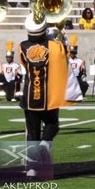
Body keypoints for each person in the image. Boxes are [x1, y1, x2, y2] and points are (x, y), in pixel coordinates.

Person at [20, 13, 69, 177]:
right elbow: (65, 58)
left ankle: (31, 169)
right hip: (50, 95)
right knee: (53, 125)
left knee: (32, 133)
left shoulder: (23, 46)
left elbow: (24, 63)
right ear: (44, 29)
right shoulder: (55, 47)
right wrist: (57, 37)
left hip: (30, 97)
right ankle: (45, 144)